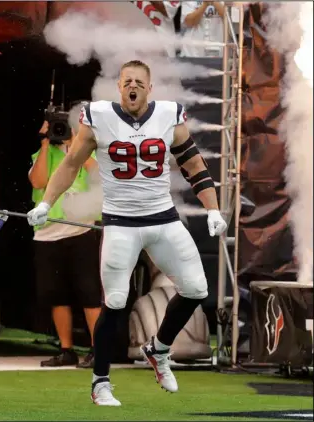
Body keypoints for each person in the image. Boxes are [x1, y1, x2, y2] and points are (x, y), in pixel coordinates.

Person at [27, 60, 227, 405]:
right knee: (116, 301)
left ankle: (158, 349)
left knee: (196, 289)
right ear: (119, 87)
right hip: (121, 222)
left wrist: (212, 208)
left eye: (139, 82)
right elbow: (71, 164)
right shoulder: (99, 117)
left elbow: (193, 164)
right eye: (126, 81)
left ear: (149, 89)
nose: (132, 86)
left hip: (162, 219)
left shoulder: (168, 115)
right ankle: (100, 382)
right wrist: (46, 203)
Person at [28, 115, 102, 369]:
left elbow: (99, 174)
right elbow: (37, 181)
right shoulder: (42, 153)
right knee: (55, 294)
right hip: (47, 233)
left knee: (89, 293)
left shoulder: (85, 152)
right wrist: (46, 143)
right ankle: (66, 349)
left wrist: (74, 144)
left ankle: (97, 350)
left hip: (80, 230)